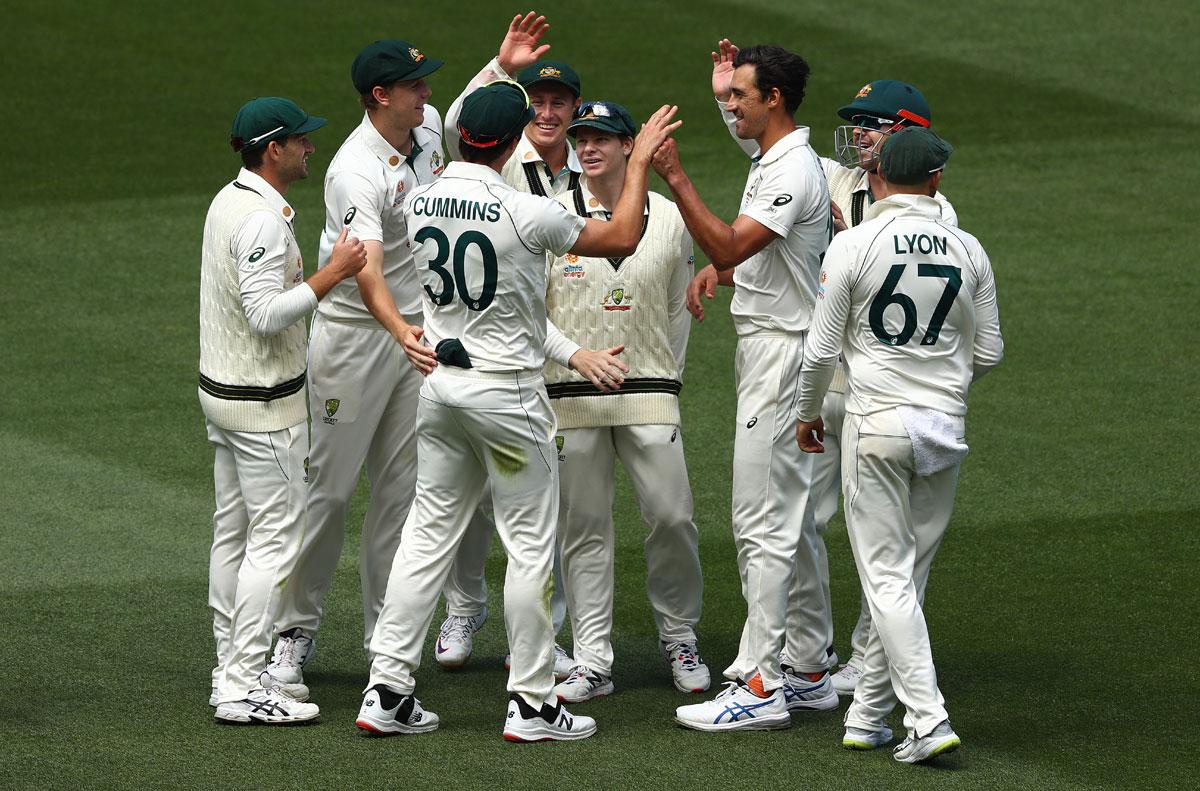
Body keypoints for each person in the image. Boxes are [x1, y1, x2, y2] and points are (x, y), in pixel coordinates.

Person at [355, 81, 681, 741]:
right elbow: (621, 236)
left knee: (426, 536)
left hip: (442, 389)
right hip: (508, 399)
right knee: (531, 547)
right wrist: (641, 155)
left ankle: (386, 689)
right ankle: (532, 701)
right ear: (512, 142)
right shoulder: (526, 211)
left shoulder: (420, 200)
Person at [794, 127, 1003, 762]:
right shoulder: (970, 250)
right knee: (907, 578)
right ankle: (867, 713)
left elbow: (821, 351)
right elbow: (989, 351)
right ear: (936, 179)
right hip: (944, 427)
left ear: (877, 177)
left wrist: (808, 414)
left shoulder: (855, 244)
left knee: (886, 579)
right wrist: (942, 382)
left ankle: (928, 719)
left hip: (877, 425)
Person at [652, 41, 837, 732]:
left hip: (782, 357)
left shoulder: (790, 169)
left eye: (741, 97)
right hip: (779, 346)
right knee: (793, 520)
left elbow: (730, 242)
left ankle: (761, 681)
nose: (731, 107)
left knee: (761, 521)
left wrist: (674, 175)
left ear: (775, 102)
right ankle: (811, 666)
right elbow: (761, 257)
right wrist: (728, 275)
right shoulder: (778, 159)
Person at [266, 39, 448, 686]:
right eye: (416, 85)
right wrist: (402, 328)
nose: (427, 94)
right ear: (381, 96)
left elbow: (471, 119)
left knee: (401, 495)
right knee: (331, 492)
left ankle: (386, 639)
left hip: (409, 339)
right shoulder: (353, 170)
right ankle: (293, 629)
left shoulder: (424, 127)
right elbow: (365, 268)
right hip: (353, 342)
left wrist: (503, 65)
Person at [783, 77, 959, 698]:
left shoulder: (938, 216)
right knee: (802, 514)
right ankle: (808, 647)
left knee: (885, 544)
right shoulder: (831, 181)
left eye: (873, 123)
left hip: (876, 394)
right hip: (834, 386)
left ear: (909, 135)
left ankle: (868, 660)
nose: (859, 132)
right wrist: (730, 103)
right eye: (855, 122)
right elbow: (774, 157)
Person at [200, 97, 367, 723]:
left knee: (234, 534)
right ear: (274, 149)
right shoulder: (263, 222)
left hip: (224, 396)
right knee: (273, 542)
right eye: (300, 141)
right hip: (263, 407)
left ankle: (229, 669)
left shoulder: (228, 199)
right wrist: (334, 273)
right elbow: (266, 314)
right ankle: (243, 684)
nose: (309, 149)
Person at [433, 12, 586, 677]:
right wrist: (501, 68)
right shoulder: (494, 158)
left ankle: (541, 640)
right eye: (539, 102)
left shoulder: (591, 165)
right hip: (501, 354)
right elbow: (455, 125)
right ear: (521, 118)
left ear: (575, 111)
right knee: (473, 502)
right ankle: (465, 608)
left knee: (539, 512)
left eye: (559, 103)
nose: (548, 113)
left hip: (559, 353)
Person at [542, 101, 709, 702]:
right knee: (582, 528)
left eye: (602, 139)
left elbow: (674, 310)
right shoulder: (549, 217)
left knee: (673, 517)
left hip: (650, 392)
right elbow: (528, 312)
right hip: (570, 395)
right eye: (581, 138)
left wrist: (662, 374)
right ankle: (591, 656)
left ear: (626, 146)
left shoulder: (666, 219)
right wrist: (570, 360)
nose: (588, 148)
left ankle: (680, 635)